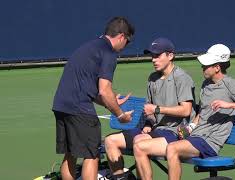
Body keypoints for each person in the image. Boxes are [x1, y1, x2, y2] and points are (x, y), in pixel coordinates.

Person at [52, 17, 135, 180]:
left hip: (61, 105)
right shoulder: (109, 53)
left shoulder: (88, 47)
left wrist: (109, 102)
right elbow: (104, 90)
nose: (125, 47)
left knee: (71, 153)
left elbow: (90, 89)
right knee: (92, 155)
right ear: (121, 37)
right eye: (127, 42)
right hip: (79, 109)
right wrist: (120, 114)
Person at [166, 44, 235, 180]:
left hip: (210, 142)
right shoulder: (206, 84)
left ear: (217, 68)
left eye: (206, 65)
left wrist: (228, 105)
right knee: (159, 146)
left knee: (172, 148)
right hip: (196, 136)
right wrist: (189, 128)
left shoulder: (230, 84)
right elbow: (202, 113)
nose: (202, 67)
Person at [104, 37, 196, 180]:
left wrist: (157, 109)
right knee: (110, 141)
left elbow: (186, 110)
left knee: (139, 144)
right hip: (156, 130)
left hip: (176, 132)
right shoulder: (152, 78)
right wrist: (148, 123)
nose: (153, 59)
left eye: (157, 55)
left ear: (170, 56)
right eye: (152, 56)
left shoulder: (182, 78)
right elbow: (150, 111)